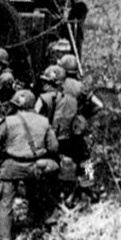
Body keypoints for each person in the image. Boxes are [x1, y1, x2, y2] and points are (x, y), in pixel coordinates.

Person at [0, 89, 59, 240]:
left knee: (5, 203)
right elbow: (54, 147)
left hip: (12, 167)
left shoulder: (9, 121)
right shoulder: (44, 122)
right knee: (44, 195)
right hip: (35, 166)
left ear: (16, 105)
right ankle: (51, 228)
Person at [57, 54, 104, 200]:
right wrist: (85, 115)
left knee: (64, 157)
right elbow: (100, 105)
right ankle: (88, 186)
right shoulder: (81, 87)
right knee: (86, 158)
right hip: (76, 130)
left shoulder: (58, 85)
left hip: (59, 129)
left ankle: (66, 191)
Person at [35, 65, 78, 197]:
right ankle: (86, 187)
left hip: (50, 140)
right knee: (84, 160)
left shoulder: (43, 98)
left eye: (46, 82)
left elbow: (34, 119)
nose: (43, 84)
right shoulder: (72, 99)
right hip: (69, 138)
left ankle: (48, 193)